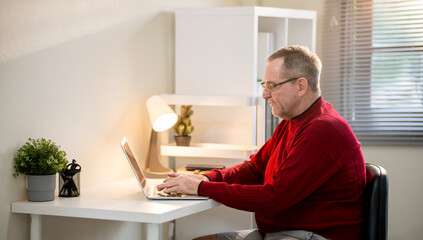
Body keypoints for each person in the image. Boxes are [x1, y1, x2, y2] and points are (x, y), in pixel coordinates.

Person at [157, 45, 366, 240]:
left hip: (311, 235)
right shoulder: (292, 121)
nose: (265, 94)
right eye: (264, 85)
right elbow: (255, 170)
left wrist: (202, 188)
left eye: (272, 86)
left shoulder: (324, 129)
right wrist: (205, 178)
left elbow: (274, 197)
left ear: (301, 86)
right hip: (283, 232)